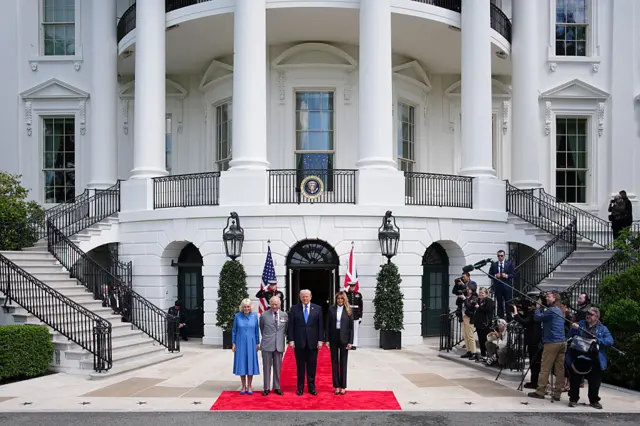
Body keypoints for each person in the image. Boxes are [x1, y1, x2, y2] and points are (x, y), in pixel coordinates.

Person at [566, 307, 614, 409]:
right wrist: (573, 328)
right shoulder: (580, 324)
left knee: (595, 381)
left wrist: (597, 341)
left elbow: (610, 341)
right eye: (587, 313)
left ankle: (594, 400)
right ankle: (573, 399)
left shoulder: (602, 328)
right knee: (575, 379)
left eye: (591, 314)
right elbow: (569, 337)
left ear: (596, 317)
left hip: (594, 357)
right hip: (579, 356)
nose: (588, 315)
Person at [528, 291, 567, 401]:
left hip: (552, 342)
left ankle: (540, 391)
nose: (546, 298)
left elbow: (537, 318)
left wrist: (537, 307)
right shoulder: (560, 309)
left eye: (548, 296)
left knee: (545, 367)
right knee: (559, 369)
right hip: (562, 341)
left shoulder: (552, 310)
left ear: (554, 298)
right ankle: (557, 393)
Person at [288, 289, 324, 396]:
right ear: (300, 297)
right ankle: (300, 388)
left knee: (312, 366)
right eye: (303, 296)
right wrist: (291, 339)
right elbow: (291, 326)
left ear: (311, 297)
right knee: (300, 367)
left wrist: (320, 340)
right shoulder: (294, 309)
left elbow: (320, 326)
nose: (305, 298)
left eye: (307, 296)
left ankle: (311, 387)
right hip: (299, 342)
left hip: (313, 343)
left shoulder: (317, 309)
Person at [259, 296, 288, 396]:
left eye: (276, 304)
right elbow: (262, 328)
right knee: (266, 367)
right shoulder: (264, 315)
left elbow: (285, 330)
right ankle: (266, 387)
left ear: (279, 305)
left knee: (277, 367)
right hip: (267, 344)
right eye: (272, 304)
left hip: (279, 345)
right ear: (270, 304)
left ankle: (277, 387)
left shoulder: (285, 315)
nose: (274, 306)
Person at [326, 291, 354, 395]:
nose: (340, 300)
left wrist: (350, 341)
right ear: (336, 299)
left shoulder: (349, 311)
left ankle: (343, 386)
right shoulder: (331, 310)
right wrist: (327, 340)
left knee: (343, 362)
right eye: (338, 298)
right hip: (334, 338)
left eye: (342, 299)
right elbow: (327, 326)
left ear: (344, 299)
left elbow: (351, 328)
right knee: (334, 362)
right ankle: (336, 386)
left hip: (344, 338)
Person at [511, 295, 542, 389]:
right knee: (534, 362)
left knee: (534, 362)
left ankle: (535, 382)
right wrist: (517, 313)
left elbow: (524, 322)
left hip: (534, 340)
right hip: (532, 339)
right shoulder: (533, 313)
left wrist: (516, 313)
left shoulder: (535, 313)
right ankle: (534, 381)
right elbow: (525, 318)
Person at [232, 298, 260, 395]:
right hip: (240, 343)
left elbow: (257, 331)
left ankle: (250, 385)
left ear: (250, 307)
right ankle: (243, 386)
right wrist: (233, 343)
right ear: (242, 307)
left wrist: (257, 343)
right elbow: (234, 331)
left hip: (252, 343)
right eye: (244, 307)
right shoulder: (237, 316)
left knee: (250, 363)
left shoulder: (254, 316)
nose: (246, 308)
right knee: (242, 363)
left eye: (248, 307)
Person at [488, 250, 515, 320]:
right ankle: (500, 319)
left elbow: (514, 274)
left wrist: (506, 276)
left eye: (501, 256)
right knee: (499, 303)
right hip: (498, 287)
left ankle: (509, 320)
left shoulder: (509, 264)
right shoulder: (494, 264)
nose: (500, 257)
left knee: (508, 303)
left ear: (504, 256)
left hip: (507, 287)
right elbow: (489, 275)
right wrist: (495, 275)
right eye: (498, 256)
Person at [472, 287, 495, 363]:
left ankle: (487, 355)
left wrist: (479, 307)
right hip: (479, 323)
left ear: (486, 293)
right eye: (480, 292)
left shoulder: (489, 301)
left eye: (482, 293)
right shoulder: (479, 300)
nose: (480, 294)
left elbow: (488, 310)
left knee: (485, 340)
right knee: (480, 340)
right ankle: (482, 354)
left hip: (485, 323)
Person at [458, 284, 478, 360]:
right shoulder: (465, 296)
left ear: (472, 290)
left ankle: (474, 352)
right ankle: (468, 350)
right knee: (465, 335)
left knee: (470, 336)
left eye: (469, 289)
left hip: (469, 318)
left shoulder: (474, 298)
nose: (467, 290)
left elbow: (469, 306)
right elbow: (458, 304)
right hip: (463, 317)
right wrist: (460, 298)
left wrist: (464, 299)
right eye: (467, 289)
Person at [345, 282, 363, 349]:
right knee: (347, 329)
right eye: (351, 286)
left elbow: (361, 306)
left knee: (355, 330)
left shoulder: (358, 294)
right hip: (348, 314)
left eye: (353, 286)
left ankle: (354, 344)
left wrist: (360, 316)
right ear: (349, 286)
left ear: (355, 287)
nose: (352, 288)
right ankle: (348, 343)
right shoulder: (346, 294)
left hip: (356, 315)